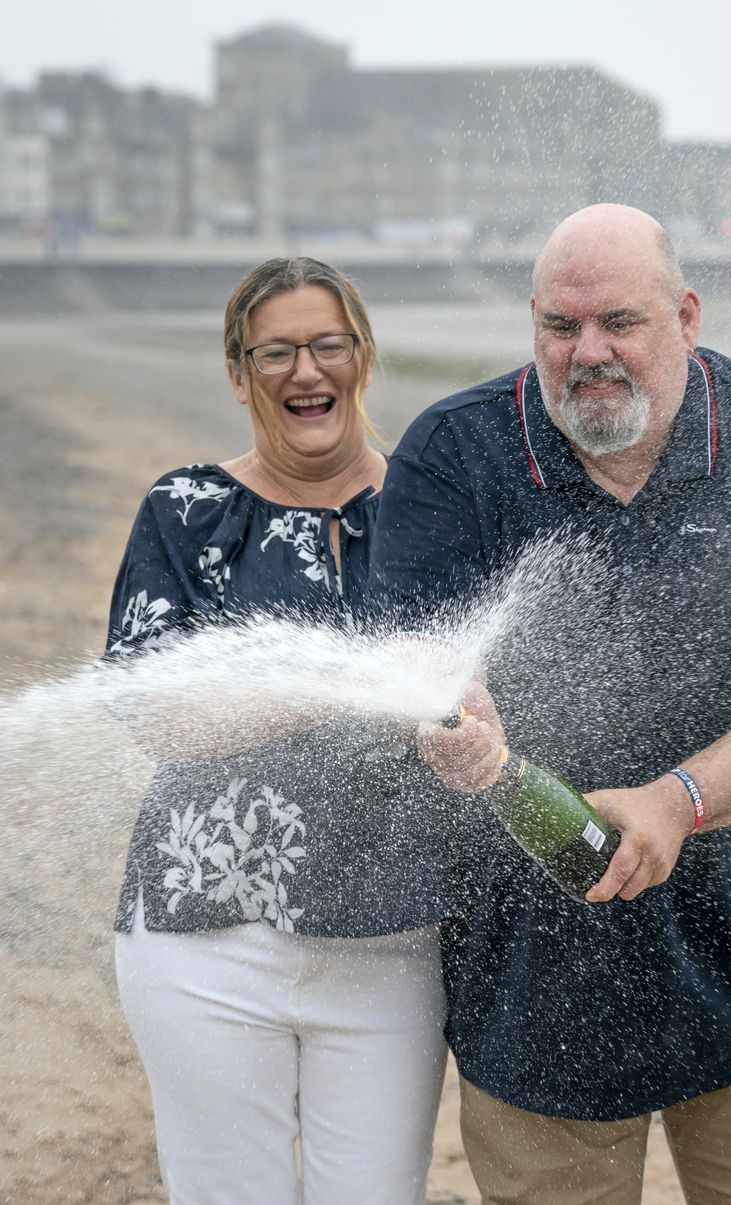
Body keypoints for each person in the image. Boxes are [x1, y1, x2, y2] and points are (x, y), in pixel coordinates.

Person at [369, 205, 731, 1205]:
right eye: (559, 326)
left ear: (685, 316)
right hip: (534, 987)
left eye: (621, 321)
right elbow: (415, 644)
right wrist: (442, 705)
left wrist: (677, 801)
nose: (589, 352)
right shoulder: (456, 450)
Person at [109, 257, 451, 1205]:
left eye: (328, 344)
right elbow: (158, 711)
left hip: (392, 938)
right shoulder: (187, 512)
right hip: (205, 938)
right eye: (275, 353)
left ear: (362, 357)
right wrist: (347, 686)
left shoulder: (431, 511)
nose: (306, 370)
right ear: (238, 373)